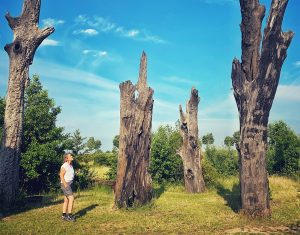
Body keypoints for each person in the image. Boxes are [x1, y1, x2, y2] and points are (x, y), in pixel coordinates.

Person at [60, 153, 76, 222]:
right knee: (71, 198)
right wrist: (65, 184)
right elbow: (61, 175)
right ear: (66, 158)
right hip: (66, 184)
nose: (72, 156)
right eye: (70, 156)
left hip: (70, 183)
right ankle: (69, 215)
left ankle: (63, 215)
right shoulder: (65, 165)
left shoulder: (70, 165)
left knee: (66, 200)